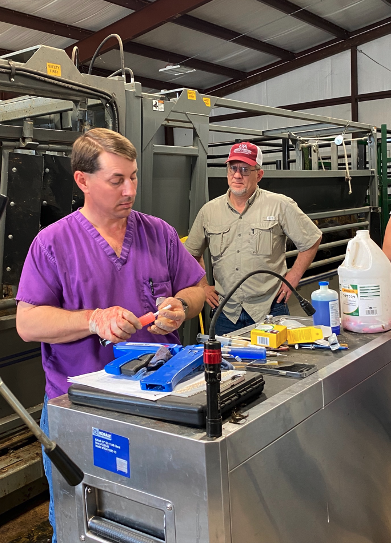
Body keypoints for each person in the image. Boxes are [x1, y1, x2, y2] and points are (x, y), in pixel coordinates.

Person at [15, 128, 205, 542]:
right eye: (117, 180)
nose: (130, 189)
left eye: (133, 177)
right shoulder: (52, 244)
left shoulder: (158, 232)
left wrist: (181, 306)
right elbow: (28, 323)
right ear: (83, 180)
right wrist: (92, 320)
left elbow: (198, 289)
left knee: (159, 512)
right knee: (79, 517)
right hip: (80, 408)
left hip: (156, 399)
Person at [185, 141, 322, 335]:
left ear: (259, 174)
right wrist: (203, 286)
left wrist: (293, 276)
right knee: (226, 364)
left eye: (245, 169)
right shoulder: (209, 211)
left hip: (270, 307)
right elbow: (191, 253)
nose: (237, 175)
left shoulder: (279, 205)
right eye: (233, 168)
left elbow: (311, 239)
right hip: (225, 313)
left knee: (275, 363)